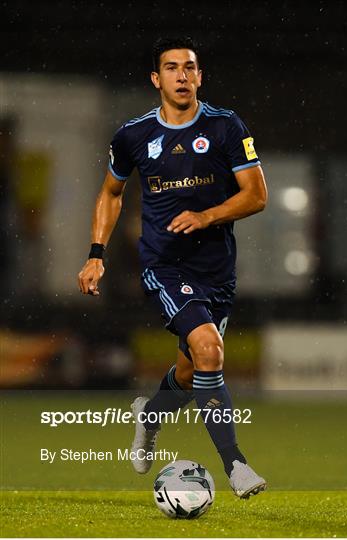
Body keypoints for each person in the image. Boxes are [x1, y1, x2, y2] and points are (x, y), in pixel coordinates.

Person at [78, 37, 268, 499]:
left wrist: (207, 216)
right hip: (164, 265)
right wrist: (96, 254)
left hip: (217, 271)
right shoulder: (133, 135)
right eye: (171, 68)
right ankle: (237, 466)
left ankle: (149, 417)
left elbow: (256, 195)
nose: (181, 76)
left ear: (200, 76)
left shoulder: (225, 127)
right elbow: (110, 193)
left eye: (190, 68)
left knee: (190, 372)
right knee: (209, 350)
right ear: (156, 79)